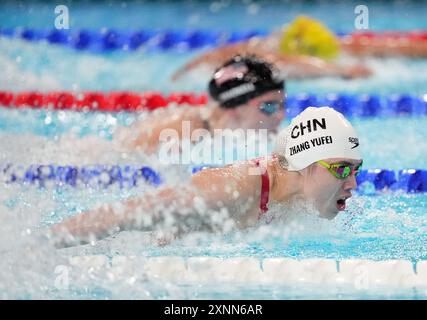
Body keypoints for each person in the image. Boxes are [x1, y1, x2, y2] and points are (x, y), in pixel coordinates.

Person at [49, 106, 363, 248]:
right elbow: (127, 214)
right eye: (342, 169)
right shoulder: (234, 187)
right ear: (305, 162)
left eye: (356, 169)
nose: (353, 184)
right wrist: (40, 245)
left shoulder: (301, 200)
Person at [113, 55, 285, 154]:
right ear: (235, 106)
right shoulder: (183, 130)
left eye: (283, 105)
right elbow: (122, 155)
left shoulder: (232, 137)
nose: (281, 115)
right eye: (269, 106)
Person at [172, 15, 426, 81]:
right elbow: (286, 62)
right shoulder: (264, 52)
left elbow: (384, 46)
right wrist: (341, 71)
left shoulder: (256, 47)